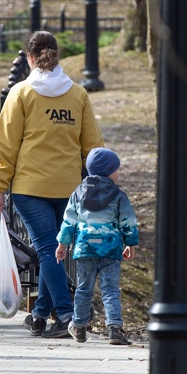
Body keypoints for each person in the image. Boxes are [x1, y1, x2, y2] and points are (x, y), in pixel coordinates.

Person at [0, 31, 103, 339]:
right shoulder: (77, 94)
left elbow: (7, 146)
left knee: (48, 249)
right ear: (57, 57)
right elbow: (92, 146)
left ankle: (65, 315)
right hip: (68, 187)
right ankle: (40, 315)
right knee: (55, 249)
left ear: (29, 58)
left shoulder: (21, 94)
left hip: (30, 186)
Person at [55, 148, 138, 346]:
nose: (118, 173)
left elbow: (69, 221)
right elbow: (128, 222)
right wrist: (131, 244)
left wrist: (62, 243)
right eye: (116, 169)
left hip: (85, 249)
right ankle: (114, 328)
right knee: (110, 290)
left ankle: (79, 327)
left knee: (83, 289)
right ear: (109, 170)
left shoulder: (78, 193)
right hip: (110, 249)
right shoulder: (118, 195)